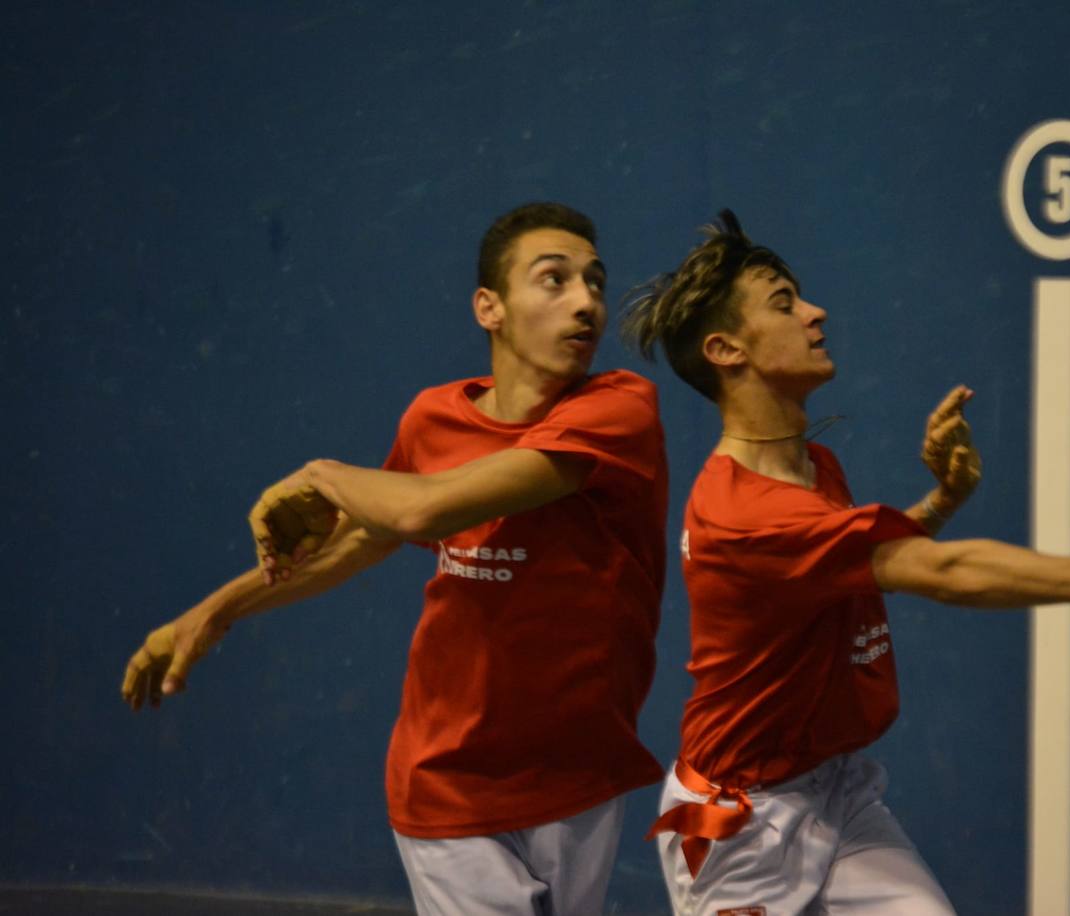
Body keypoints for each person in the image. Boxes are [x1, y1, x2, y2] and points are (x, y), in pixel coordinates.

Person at [620, 210, 1070, 915]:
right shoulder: (748, 513)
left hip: (835, 792)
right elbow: (939, 573)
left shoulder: (812, 467)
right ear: (727, 349)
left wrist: (941, 502)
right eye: (785, 303)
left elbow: (844, 566)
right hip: (739, 829)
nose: (816, 312)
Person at [121, 202, 669, 916]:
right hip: (445, 775)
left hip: (576, 775)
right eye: (554, 280)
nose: (585, 302)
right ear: (489, 307)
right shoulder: (433, 419)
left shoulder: (619, 410)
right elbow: (361, 539)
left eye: (594, 282)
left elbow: (422, 509)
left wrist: (319, 472)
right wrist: (214, 610)